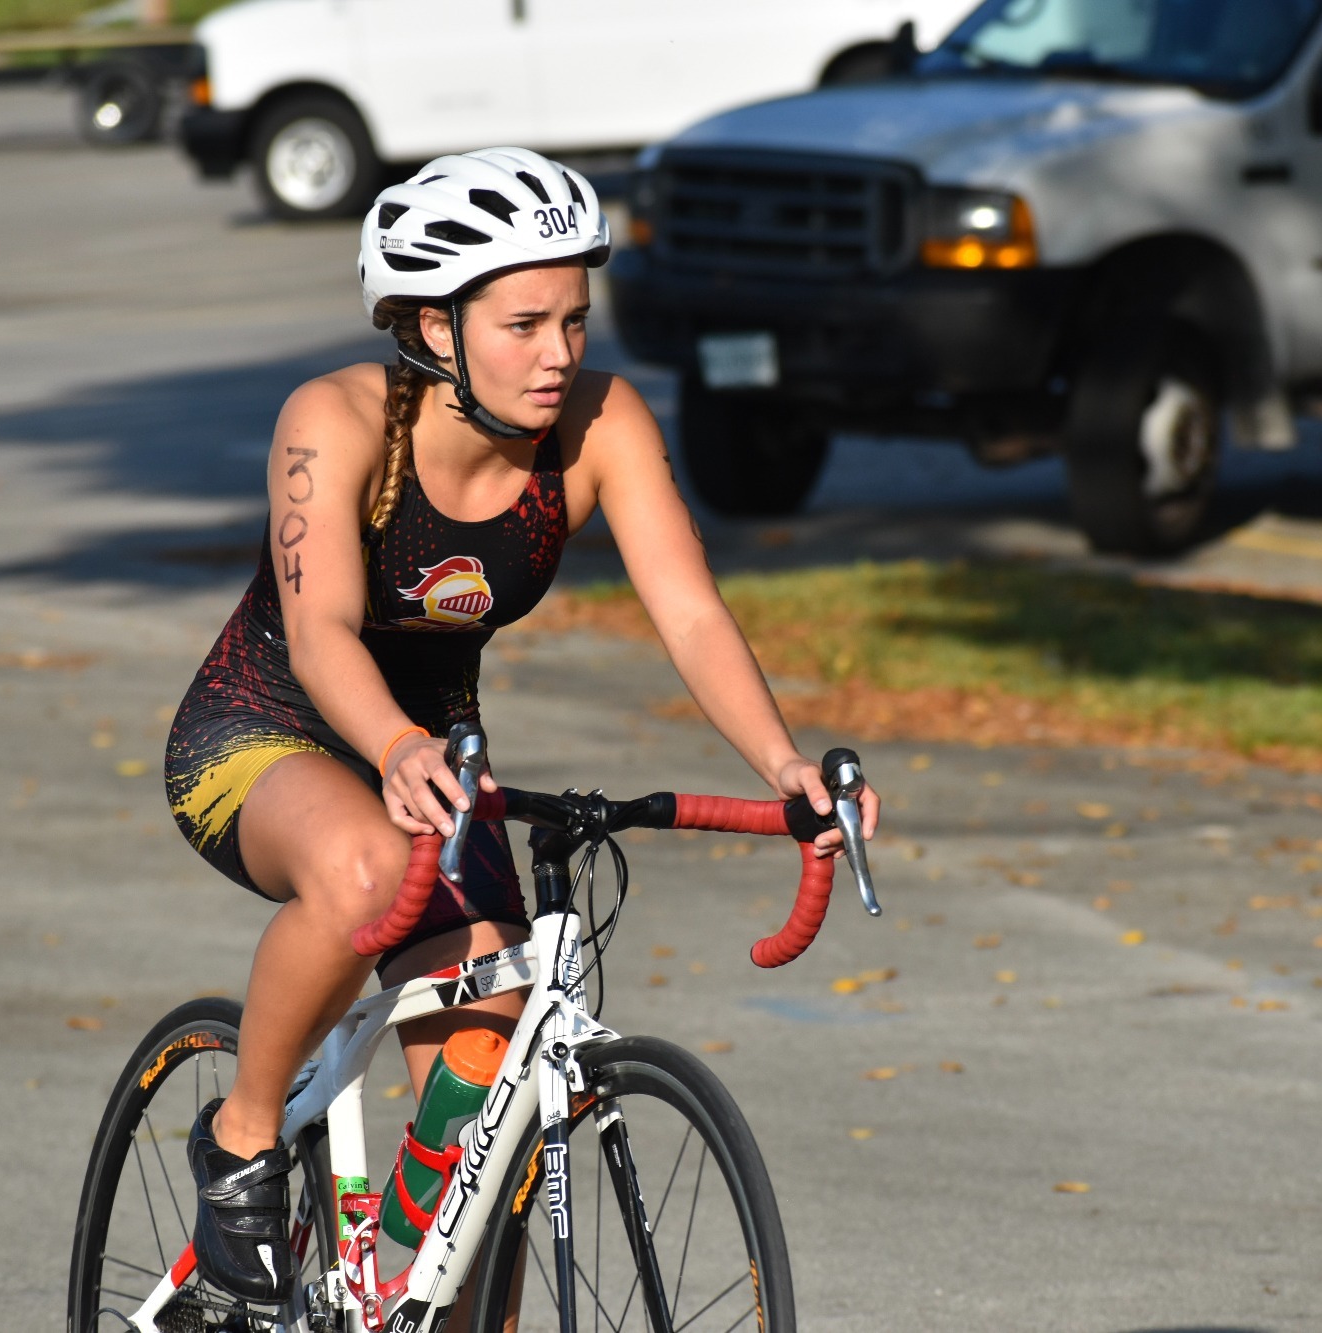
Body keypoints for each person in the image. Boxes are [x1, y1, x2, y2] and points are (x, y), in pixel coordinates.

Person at [161, 147, 880, 1303]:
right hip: (268, 730)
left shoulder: (598, 427)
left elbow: (690, 612)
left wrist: (785, 761)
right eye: (522, 322)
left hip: (441, 764)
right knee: (356, 867)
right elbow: (323, 632)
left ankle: (402, 1277)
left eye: (575, 320)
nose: (558, 354)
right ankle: (242, 1141)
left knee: (482, 1134)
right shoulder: (331, 421)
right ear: (435, 328)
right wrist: (392, 745)